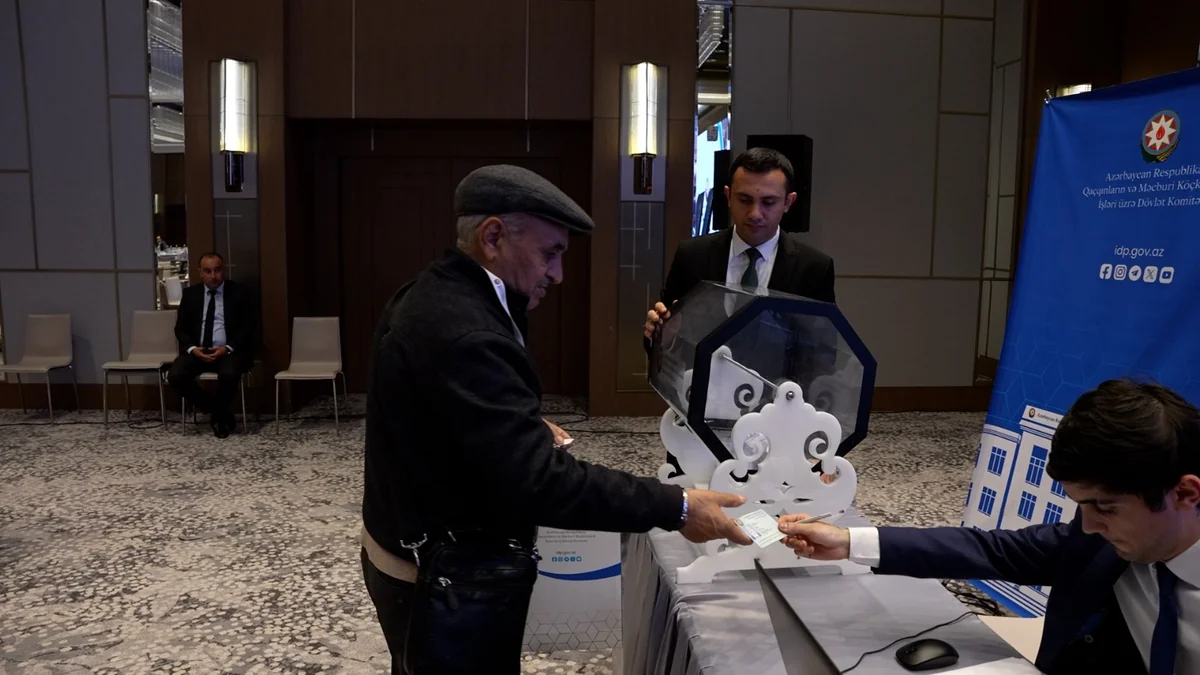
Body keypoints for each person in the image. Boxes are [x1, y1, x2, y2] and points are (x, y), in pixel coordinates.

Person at [359, 165, 753, 674]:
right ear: (493, 237)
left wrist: (512, 421)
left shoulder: (432, 290)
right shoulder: (468, 331)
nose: (558, 274)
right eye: (550, 253)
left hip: (404, 542)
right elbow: (539, 482)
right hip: (442, 573)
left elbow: (427, 410)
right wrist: (675, 506)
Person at [778, 379, 1200, 675]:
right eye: (1081, 506)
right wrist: (847, 542)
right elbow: (992, 549)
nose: (1088, 526)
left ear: (1185, 494)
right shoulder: (1102, 537)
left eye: (1105, 508)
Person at [642, 146, 835, 343]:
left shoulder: (813, 269)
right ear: (728, 196)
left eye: (768, 202)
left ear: (788, 202)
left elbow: (823, 351)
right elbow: (663, 341)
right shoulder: (692, 256)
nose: (755, 214)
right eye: (744, 200)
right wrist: (658, 335)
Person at [168, 252, 256, 438]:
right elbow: (180, 329)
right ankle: (219, 412)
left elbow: (248, 327)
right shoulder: (190, 294)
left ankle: (219, 420)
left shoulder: (238, 292)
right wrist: (193, 349)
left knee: (229, 374)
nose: (213, 276)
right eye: (208, 271)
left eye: (217, 270)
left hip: (228, 351)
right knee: (175, 375)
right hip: (198, 350)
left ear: (223, 270)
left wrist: (228, 348)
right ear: (200, 272)